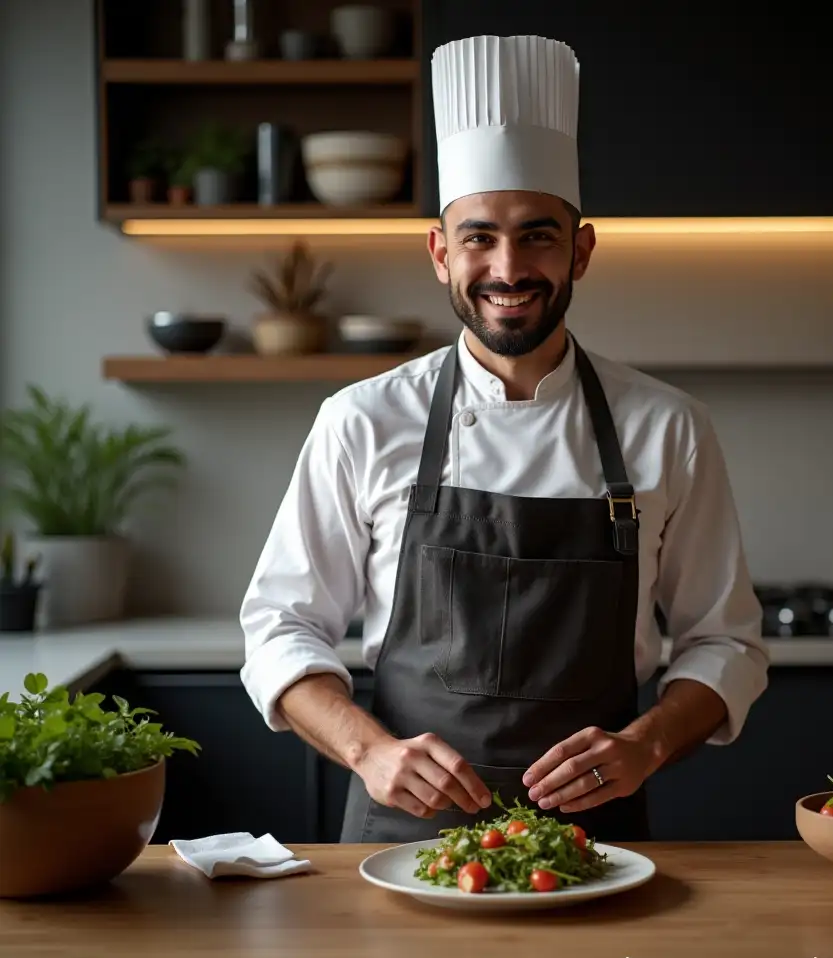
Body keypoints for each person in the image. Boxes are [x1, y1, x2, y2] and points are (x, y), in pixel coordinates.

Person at [239, 34, 769, 844]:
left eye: (539, 235)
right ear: (439, 252)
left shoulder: (668, 428)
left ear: (581, 251)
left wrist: (645, 744)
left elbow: (725, 641)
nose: (508, 267)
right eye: (480, 236)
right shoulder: (363, 419)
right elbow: (279, 626)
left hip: (599, 847)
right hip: (399, 840)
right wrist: (370, 751)